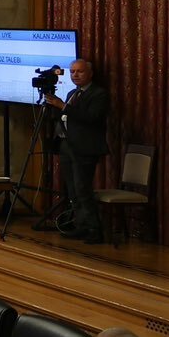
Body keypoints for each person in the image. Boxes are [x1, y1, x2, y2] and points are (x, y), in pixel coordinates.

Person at [47, 59, 110, 242]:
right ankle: (81, 225)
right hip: (67, 145)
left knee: (83, 189)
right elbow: (65, 116)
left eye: (79, 71)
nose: (75, 75)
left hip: (85, 148)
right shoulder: (72, 93)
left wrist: (63, 106)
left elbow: (92, 118)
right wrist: (54, 107)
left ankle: (94, 229)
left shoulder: (99, 94)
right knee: (73, 190)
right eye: (72, 71)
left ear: (90, 73)